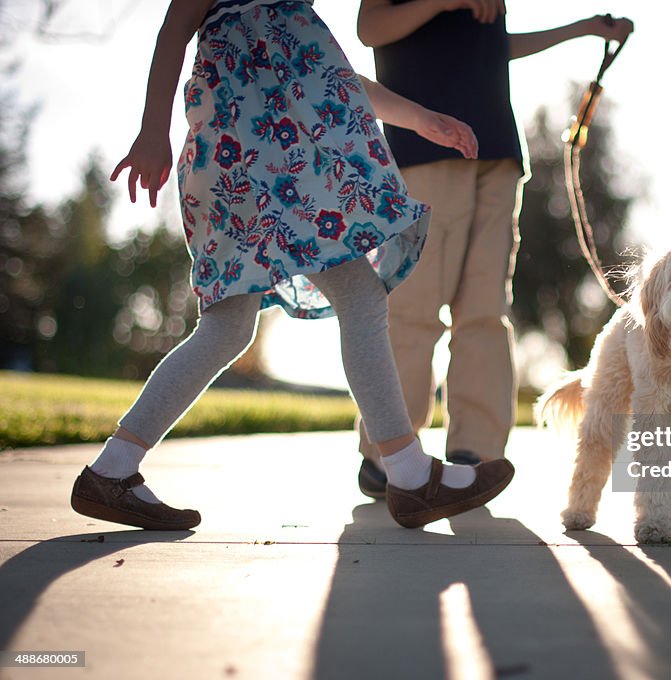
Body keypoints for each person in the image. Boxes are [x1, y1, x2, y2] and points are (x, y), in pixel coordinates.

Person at [69, 0, 514, 532]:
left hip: (242, 160)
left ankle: (112, 470)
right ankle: (409, 474)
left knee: (227, 327)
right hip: (262, 158)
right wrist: (151, 130)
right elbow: (175, 27)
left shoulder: (292, 13)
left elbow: (327, 75)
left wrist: (421, 119)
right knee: (360, 296)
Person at [354, 0, 633, 497]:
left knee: (485, 310)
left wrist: (583, 28)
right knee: (413, 308)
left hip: (497, 151)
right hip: (424, 150)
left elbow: (491, 46)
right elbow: (369, 28)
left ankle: (476, 453)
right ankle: (387, 454)